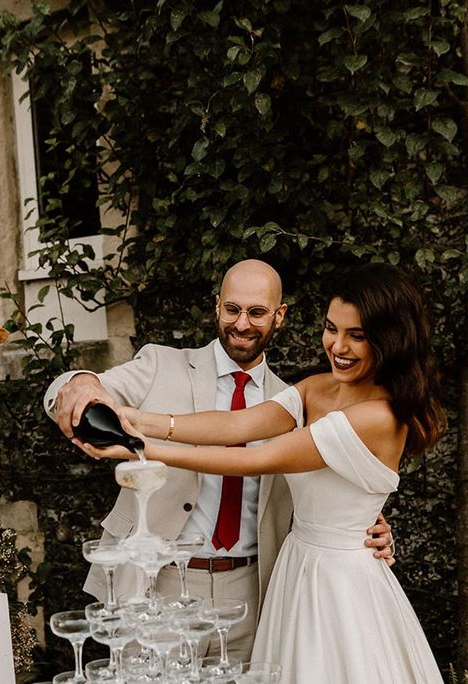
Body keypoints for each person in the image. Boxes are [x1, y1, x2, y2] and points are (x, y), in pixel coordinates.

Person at [77, 263, 444, 682]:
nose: (337, 345)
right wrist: (136, 418)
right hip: (294, 569)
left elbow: (254, 459)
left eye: (356, 336)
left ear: (389, 340)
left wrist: (141, 448)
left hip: (339, 582)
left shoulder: (378, 416)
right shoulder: (317, 386)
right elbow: (237, 426)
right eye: (331, 328)